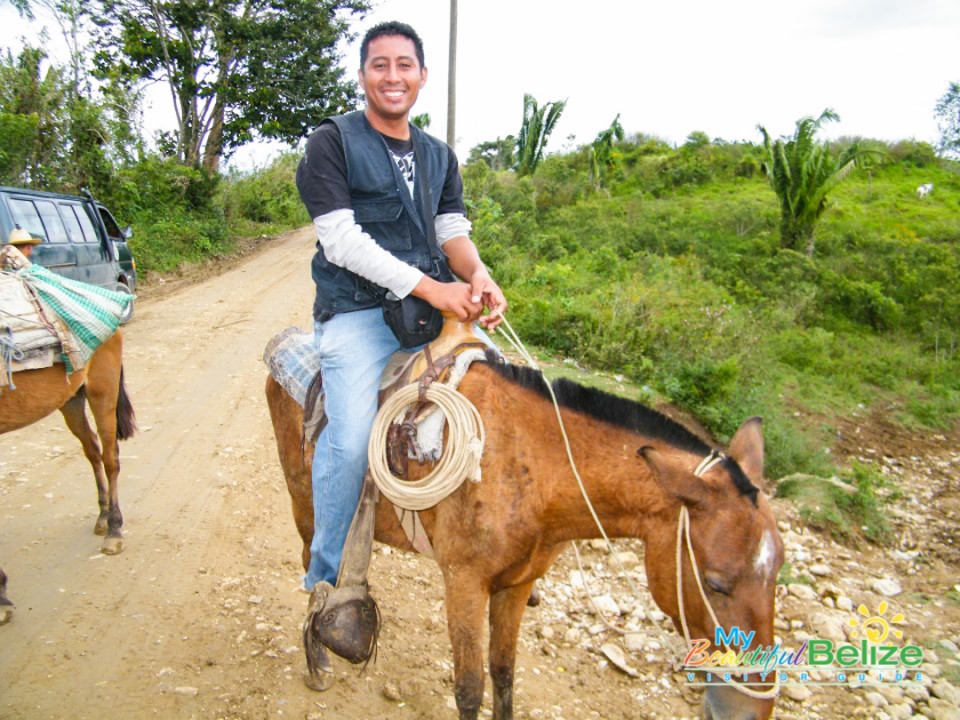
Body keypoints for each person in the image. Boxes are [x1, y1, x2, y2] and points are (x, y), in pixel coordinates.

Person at [295, 21, 507, 591]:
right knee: (349, 439)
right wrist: (433, 289)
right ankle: (326, 577)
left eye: (404, 65)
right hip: (358, 313)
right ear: (363, 75)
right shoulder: (332, 143)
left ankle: (503, 547)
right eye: (380, 65)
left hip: (430, 312)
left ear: (422, 76)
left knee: (511, 395)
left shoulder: (438, 156)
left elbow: (451, 229)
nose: (393, 76)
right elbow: (341, 240)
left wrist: (477, 273)